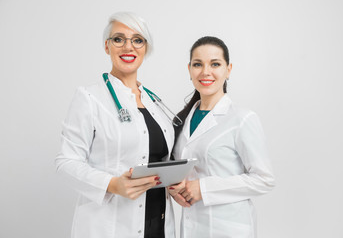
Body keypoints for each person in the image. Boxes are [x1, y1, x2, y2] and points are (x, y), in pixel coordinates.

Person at [55, 12, 176, 238]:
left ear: (145, 48)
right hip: (109, 227)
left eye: (137, 40)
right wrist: (111, 184)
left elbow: (161, 162)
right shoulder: (89, 98)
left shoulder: (155, 103)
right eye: (119, 39)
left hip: (159, 225)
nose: (128, 47)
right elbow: (65, 162)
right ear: (106, 46)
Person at [169, 36, 275, 238]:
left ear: (228, 69)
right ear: (189, 69)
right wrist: (174, 189)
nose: (205, 72)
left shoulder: (242, 119)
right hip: (190, 228)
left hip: (229, 229)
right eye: (198, 64)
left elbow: (264, 179)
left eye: (215, 64)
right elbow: (181, 172)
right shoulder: (181, 121)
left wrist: (203, 188)